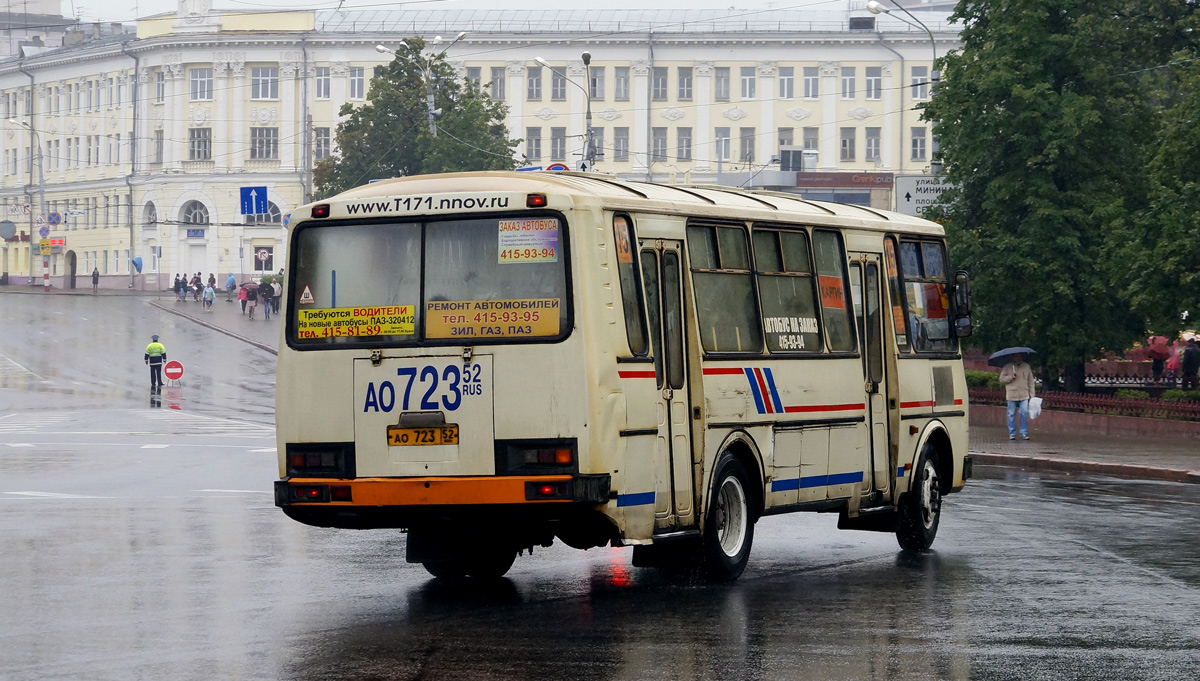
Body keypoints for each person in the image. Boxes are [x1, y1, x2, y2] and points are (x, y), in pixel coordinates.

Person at [999, 352, 1035, 440]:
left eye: (1020, 356)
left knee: (1024, 413)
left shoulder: (1026, 366)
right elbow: (1001, 379)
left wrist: (1032, 395)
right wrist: (1010, 377)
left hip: (1024, 395)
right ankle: (1012, 433)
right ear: (1013, 357)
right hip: (1012, 395)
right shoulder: (1008, 367)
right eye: (1016, 356)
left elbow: (1031, 381)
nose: (1018, 358)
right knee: (1011, 414)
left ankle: (1024, 432)